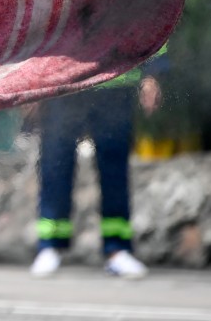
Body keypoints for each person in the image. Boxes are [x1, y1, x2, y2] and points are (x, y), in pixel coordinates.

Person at [29, 56, 166, 279]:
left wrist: (152, 72)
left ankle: (117, 249)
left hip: (114, 78)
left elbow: (150, 22)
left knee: (115, 168)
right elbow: (40, 24)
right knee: (55, 163)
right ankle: (49, 245)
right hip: (62, 81)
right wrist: (30, 79)